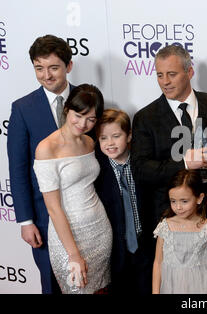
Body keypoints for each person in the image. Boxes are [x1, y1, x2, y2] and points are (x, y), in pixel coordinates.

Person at [130, 45, 207, 251]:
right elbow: (141, 169)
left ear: (189, 72)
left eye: (171, 74)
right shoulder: (145, 117)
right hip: (171, 222)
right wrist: (185, 162)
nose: (165, 82)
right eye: (159, 75)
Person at [7, 34, 74, 294]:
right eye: (39, 68)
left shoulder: (88, 99)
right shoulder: (23, 108)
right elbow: (18, 168)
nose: (47, 75)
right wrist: (25, 220)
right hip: (44, 216)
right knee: (52, 284)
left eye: (54, 68)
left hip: (88, 212)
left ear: (68, 66)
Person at [33, 84, 111, 294]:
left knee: (100, 290)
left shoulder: (89, 142)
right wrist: (73, 254)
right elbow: (53, 208)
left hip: (99, 229)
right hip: (67, 236)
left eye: (91, 119)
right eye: (78, 115)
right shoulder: (46, 148)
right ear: (67, 108)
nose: (83, 123)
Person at [94, 108, 152, 295]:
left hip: (145, 245)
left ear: (129, 136)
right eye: (103, 138)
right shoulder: (97, 170)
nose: (110, 143)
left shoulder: (142, 163)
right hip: (115, 250)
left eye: (116, 136)